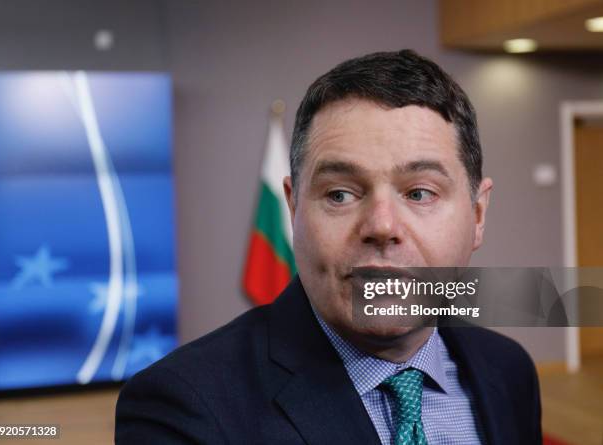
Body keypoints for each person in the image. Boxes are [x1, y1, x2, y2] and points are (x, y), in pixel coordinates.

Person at [115, 50, 542, 445]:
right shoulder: (181, 406)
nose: (381, 226)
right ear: (294, 208)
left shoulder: (509, 369)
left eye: (419, 193)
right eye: (339, 194)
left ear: (478, 215)